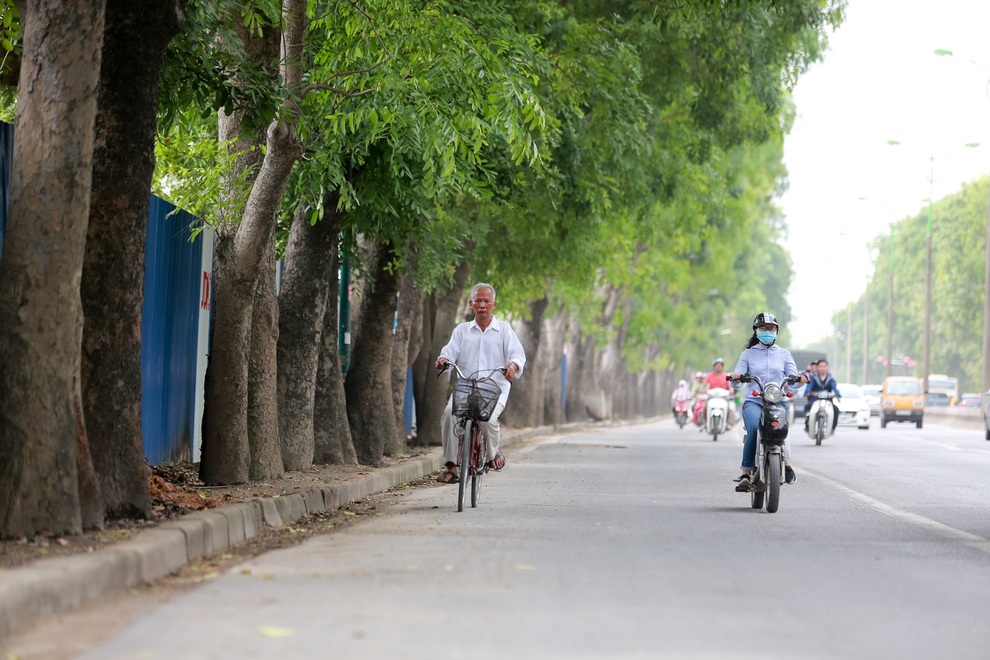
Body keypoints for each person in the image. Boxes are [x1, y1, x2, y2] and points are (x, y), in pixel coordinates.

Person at [435, 283, 526, 484]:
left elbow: (517, 356)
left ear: (494, 304)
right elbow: (449, 352)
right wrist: (443, 360)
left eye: (486, 301)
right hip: (466, 389)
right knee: (449, 415)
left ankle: (492, 454)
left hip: (494, 389)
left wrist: (512, 366)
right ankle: (451, 466)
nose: (482, 305)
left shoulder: (504, 330)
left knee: (487, 420)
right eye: (478, 301)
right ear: (471, 304)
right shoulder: (462, 331)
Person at [726, 312, 810, 492]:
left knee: (782, 430)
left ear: (776, 331)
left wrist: (800, 378)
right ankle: (746, 473)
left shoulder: (784, 354)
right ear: (756, 331)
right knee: (755, 428)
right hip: (754, 401)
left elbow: (792, 379)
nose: (768, 331)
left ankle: (786, 463)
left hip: (777, 401)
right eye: (764, 328)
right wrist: (736, 376)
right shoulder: (747, 354)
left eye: (771, 328)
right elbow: (736, 381)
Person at [804, 359, 841, 434]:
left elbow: (835, 388)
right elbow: (809, 387)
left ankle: (832, 428)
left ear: (827, 367)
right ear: (817, 368)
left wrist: (837, 395)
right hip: (814, 399)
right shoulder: (813, 378)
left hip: (827, 400)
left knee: (836, 409)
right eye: (821, 366)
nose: (822, 368)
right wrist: (809, 393)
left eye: (824, 366)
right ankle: (807, 424)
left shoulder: (830, 379)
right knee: (807, 407)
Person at [702, 357, 735, 428]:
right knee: (705, 407)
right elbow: (704, 386)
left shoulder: (726, 376)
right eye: (717, 365)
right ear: (714, 366)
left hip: (723, 397)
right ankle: (705, 422)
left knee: (729, 408)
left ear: (722, 366)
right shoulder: (709, 376)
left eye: (720, 365)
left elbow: (730, 386)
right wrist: (704, 391)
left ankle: (726, 423)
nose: (718, 367)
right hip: (712, 397)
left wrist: (731, 391)